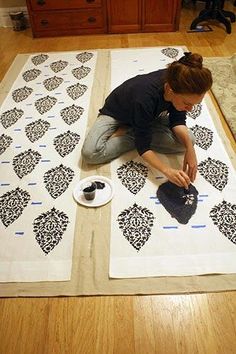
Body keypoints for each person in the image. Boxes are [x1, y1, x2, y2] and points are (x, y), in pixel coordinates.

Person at [82, 52, 213, 189]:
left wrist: (190, 150)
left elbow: (177, 120)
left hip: (149, 117)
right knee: (90, 154)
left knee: (188, 140)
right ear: (170, 89)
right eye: (187, 103)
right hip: (117, 114)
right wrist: (167, 170)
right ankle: (135, 134)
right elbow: (144, 148)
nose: (190, 109)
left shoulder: (179, 78)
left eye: (194, 105)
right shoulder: (144, 97)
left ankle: (136, 131)